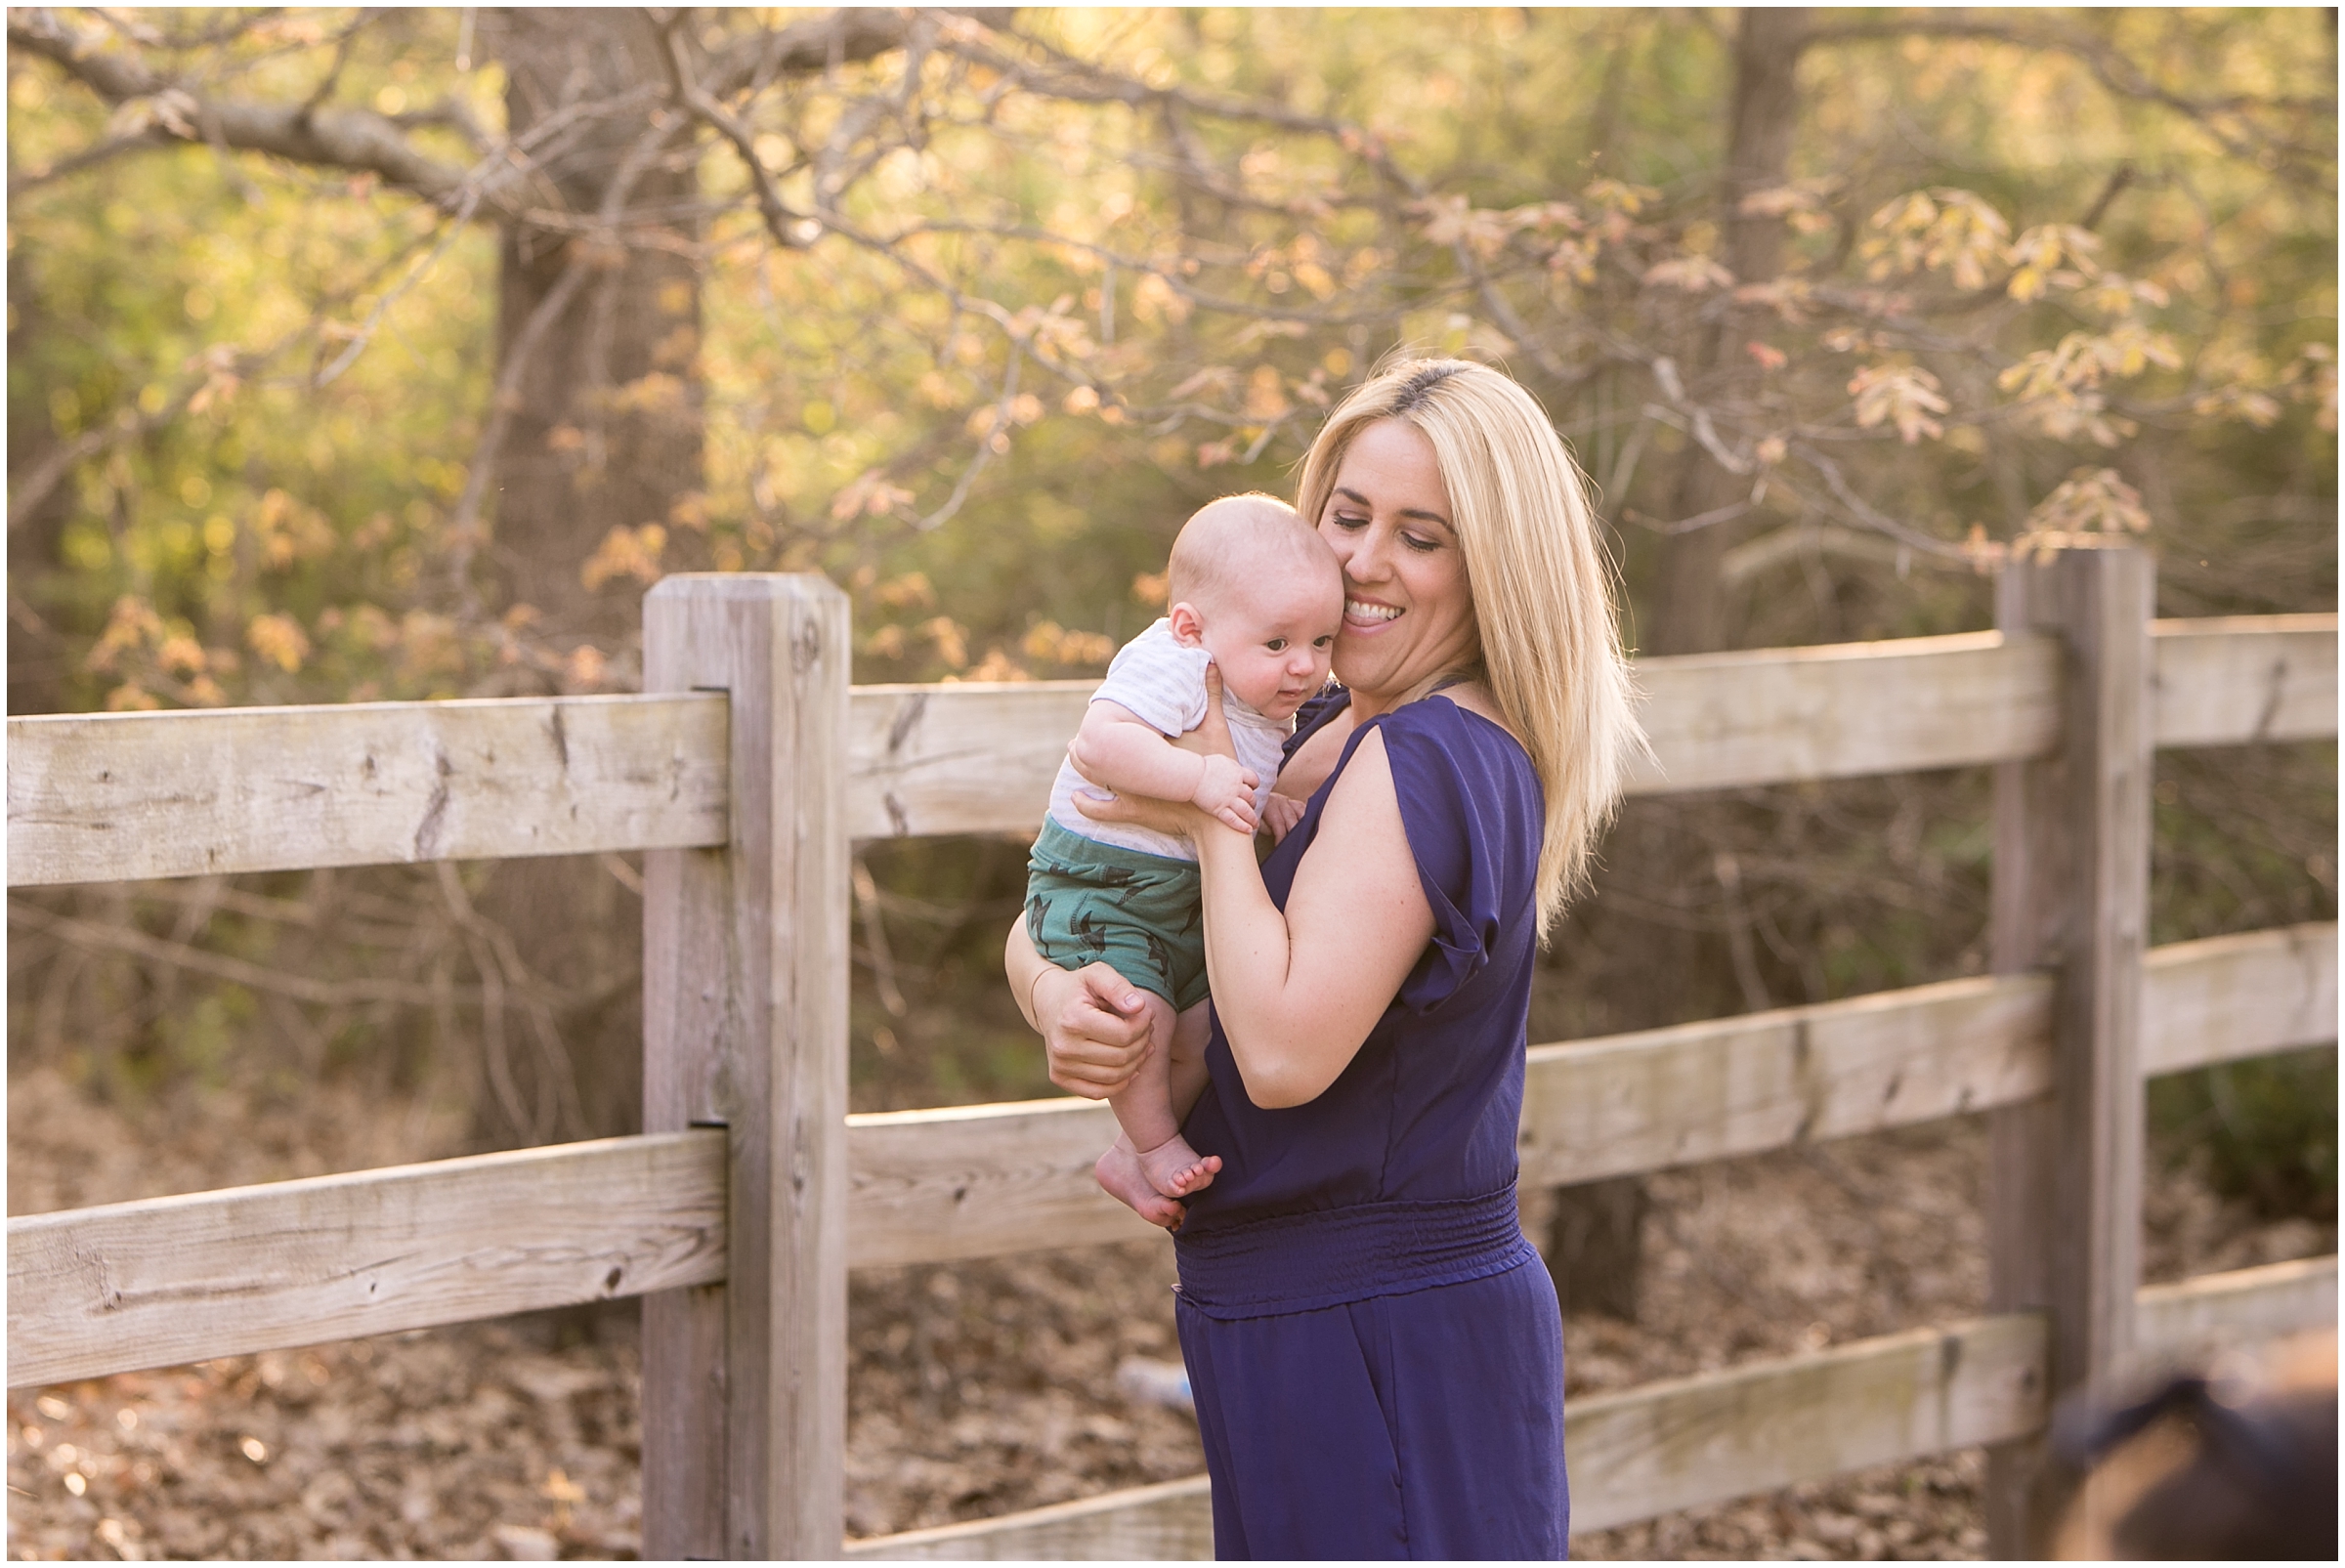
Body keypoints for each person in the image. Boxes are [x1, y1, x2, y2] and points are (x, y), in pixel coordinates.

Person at [1005, 357, 1644, 1558]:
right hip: (1284, 1324)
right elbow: (1070, 882)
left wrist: (1206, 814)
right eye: (1347, 517)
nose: (1363, 562)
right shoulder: (1310, 724)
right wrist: (1056, 994)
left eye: (1423, 537)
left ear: (1497, 565)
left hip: (1382, 1339)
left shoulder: (1432, 756)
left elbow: (1287, 1051)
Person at [1024, 493, 1343, 1227]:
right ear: (1191, 627)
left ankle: (1129, 1147)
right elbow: (1100, 745)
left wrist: (1265, 806)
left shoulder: (1265, 695)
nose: (1304, 666)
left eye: (1322, 642)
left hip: (1177, 893)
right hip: (1102, 878)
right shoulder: (1174, 664)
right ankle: (1153, 1142)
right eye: (1279, 643)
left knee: (1202, 1034)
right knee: (1148, 1020)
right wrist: (1200, 784)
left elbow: (1239, 765)